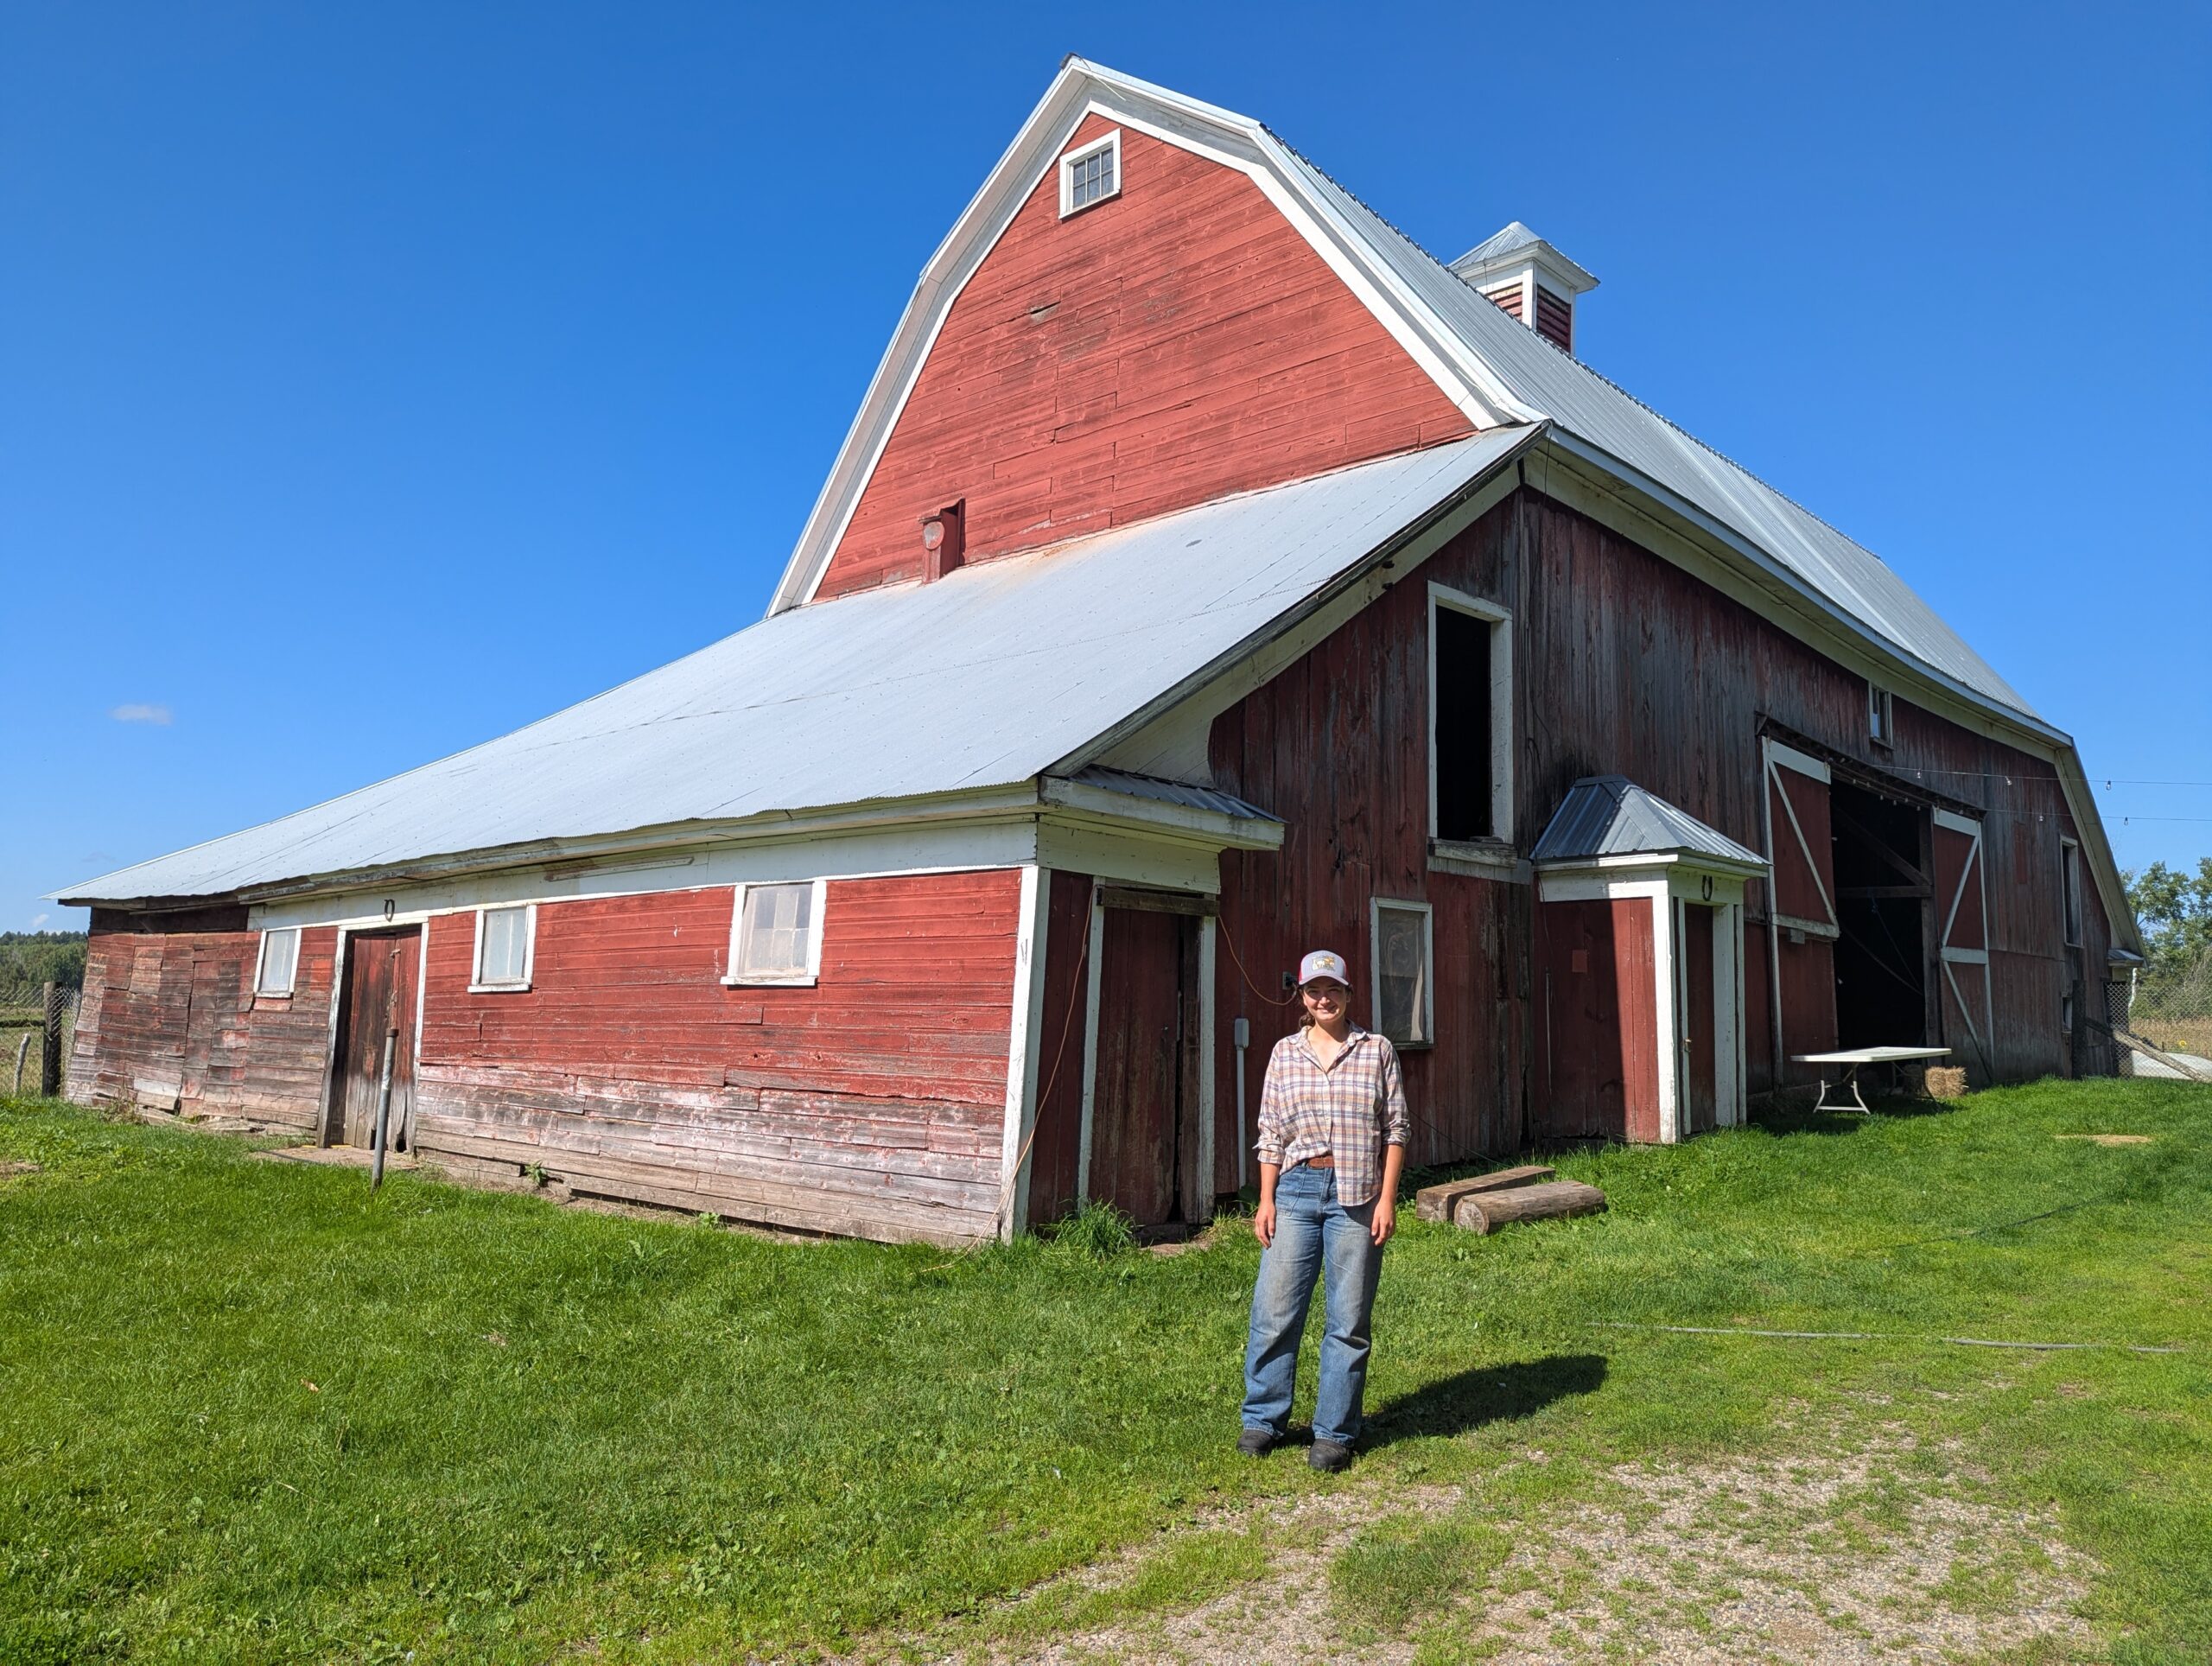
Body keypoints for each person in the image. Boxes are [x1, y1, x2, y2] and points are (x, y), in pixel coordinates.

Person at [1238, 949, 1409, 1472]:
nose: (1323, 999)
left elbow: (1396, 1129)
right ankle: (1264, 1419)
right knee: (1274, 1312)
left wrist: (1387, 1198)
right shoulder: (1284, 1053)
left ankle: (1334, 1432)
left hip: (1358, 1195)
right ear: (1303, 998)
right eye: (1314, 991)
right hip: (1294, 1190)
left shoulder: (1376, 1049)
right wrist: (1265, 1200)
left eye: (1333, 989)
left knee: (1349, 1319)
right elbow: (1270, 1133)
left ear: (1348, 994)